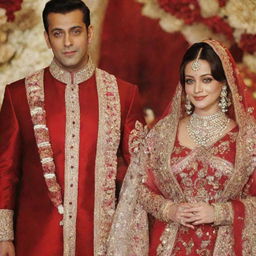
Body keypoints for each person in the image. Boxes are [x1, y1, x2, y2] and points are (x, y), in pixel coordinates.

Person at [0, 0, 142, 255]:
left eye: (75, 31)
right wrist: (3, 236)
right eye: (58, 33)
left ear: (90, 33)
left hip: (103, 241)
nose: (67, 42)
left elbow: (138, 173)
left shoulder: (124, 94)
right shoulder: (18, 95)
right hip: (36, 241)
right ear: (46, 38)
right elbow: (5, 171)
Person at [107, 40, 256, 255]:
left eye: (206, 80)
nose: (197, 89)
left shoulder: (248, 137)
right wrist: (170, 210)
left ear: (224, 83)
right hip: (167, 245)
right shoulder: (163, 133)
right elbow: (138, 188)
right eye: (189, 81)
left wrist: (221, 212)